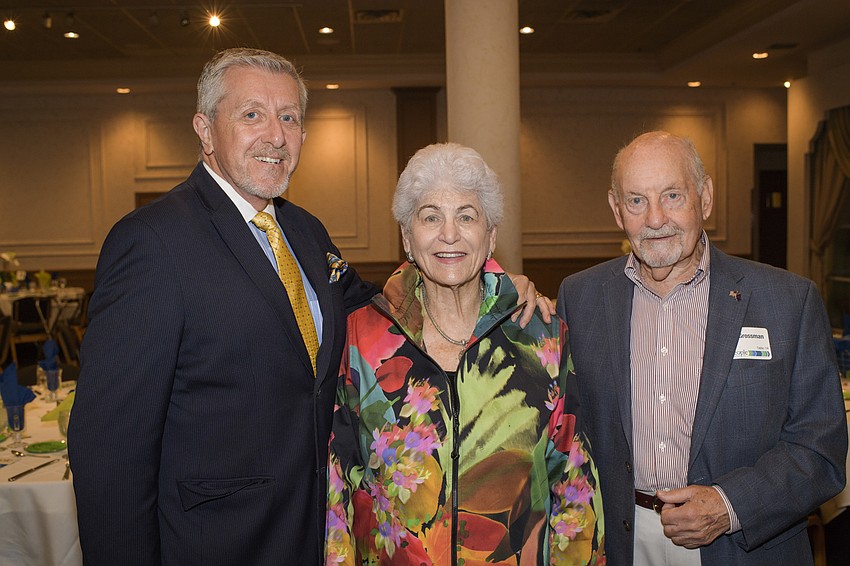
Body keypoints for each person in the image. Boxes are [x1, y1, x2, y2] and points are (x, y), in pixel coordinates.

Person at [69, 48, 545, 566]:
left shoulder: (303, 231)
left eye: (289, 117)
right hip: (215, 544)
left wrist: (494, 286)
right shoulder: (153, 241)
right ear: (205, 131)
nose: (276, 135)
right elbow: (110, 450)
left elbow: (377, 303)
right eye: (252, 114)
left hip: (313, 534)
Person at [557, 130, 847, 565]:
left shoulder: (788, 301)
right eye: (636, 201)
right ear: (617, 210)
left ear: (705, 198)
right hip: (618, 543)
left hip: (742, 545)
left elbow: (820, 448)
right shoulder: (579, 298)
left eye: (672, 195)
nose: (655, 218)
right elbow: (562, 429)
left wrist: (729, 505)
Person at [324, 143, 604, 565]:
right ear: (406, 237)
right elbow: (337, 486)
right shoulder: (361, 338)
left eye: (467, 216)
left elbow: (574, 484)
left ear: (491, 237)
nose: (449, 234)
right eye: (430, 216)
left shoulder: (542, 337)